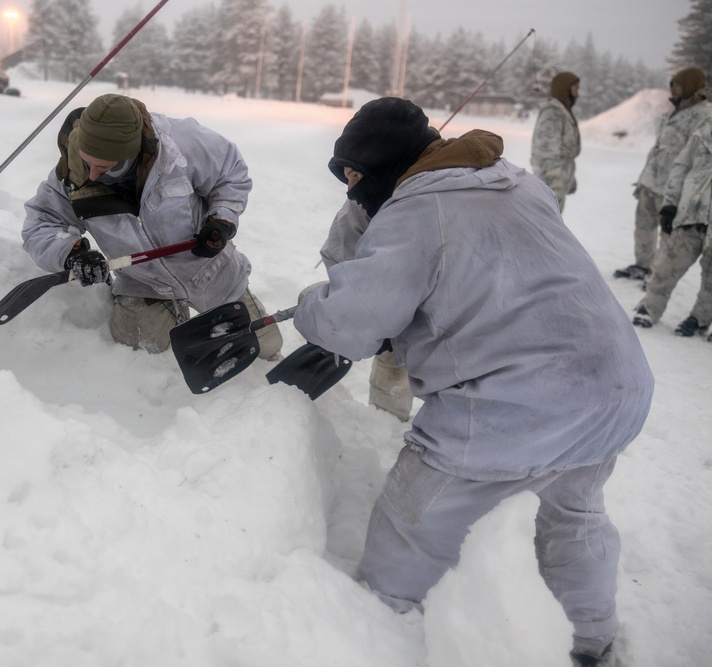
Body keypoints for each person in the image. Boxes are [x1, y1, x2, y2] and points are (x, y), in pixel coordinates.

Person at [294, 98, 654, 667]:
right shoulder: (513, 181)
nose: (351, 189)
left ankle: (381, 631)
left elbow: (348, 326)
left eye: (357, 175)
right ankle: (594, 639)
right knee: (574, 513)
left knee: (410, 519)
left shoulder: (416, 212)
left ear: (387, 165)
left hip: (514, 403)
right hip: (615, 388)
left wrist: (310, 302)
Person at [22, 93, 282, 357]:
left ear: (129, 155)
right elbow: (41, 222)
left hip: (210, 272)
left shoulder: (181, 143)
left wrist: (221, 220)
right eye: (86, 162)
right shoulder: (71, 175)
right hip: (142, 282)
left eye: (103, 167)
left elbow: (230, 175)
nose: (91, 175)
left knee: (265, 348)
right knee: (141, 358)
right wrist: (73, 253)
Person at [319, 200, 413, 421]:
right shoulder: (360, 205)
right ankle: (387, 420)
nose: (351, 183)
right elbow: (341, 260)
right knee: (395, 359)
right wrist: (366, 314)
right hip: (384, 296)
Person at [614, 67, 711, 281]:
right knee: (643, 228)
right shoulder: (672, 113)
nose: (672, 89)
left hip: (673, 189)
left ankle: (657, 275)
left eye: (676, 85)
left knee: (668, 235)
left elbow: (697, 160)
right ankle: (643, 266)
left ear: (689, 86)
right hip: (651, 183)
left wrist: (684, 196)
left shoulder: (703, 116)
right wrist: (643, 179)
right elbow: (659, 148)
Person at [632, 117, 712, 336]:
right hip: (691, 213)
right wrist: (670, 203)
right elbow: (681, 166)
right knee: (667, 265)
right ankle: (649, 308)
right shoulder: (704, 128)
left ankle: (700, 319)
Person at [530, 71, 581, 212]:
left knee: (552, 224)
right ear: (564, 88)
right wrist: (554, 182)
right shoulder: (552, 112)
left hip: (559, 179)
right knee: (544, 224)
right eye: (575, 87)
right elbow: (545, 152)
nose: (578, 91)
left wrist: (569, 177)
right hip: (550, 183)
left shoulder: (563, 111)